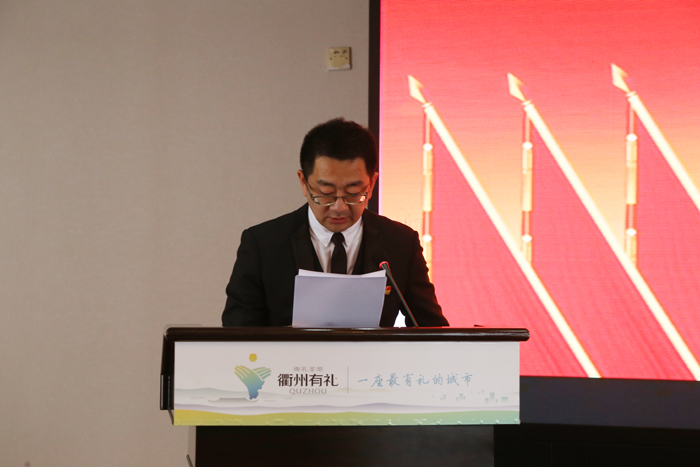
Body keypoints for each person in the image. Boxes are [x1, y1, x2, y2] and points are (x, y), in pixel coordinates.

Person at [222, 118, 448, 327]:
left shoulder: (401, 243)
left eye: (353, 193)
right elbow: (237, 333)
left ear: (371, 184)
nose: (339, 207)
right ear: (303, 183)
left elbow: (432, 329)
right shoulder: (263, 244)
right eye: (326, 193)